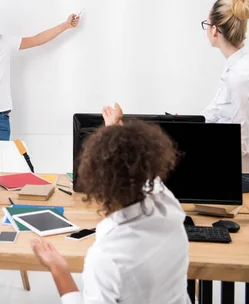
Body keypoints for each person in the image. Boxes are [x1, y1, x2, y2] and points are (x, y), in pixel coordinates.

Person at [30, 104, 190, 304]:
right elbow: (137, 166)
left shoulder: (108, 257)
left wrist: (58, 269)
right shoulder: (168, 205)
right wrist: (114, 128)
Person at [0, 6, 81, 140]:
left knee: (1, 158)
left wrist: (65, 25)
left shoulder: (4, 42)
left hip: (0, 117)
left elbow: (36, 40)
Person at [201, 0, 249, 192]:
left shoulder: (241, 76)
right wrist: (189, 124)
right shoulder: (238, 66)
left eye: (207, 24)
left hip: (247, 174)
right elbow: (216, 111)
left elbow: (239, 144)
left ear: (214, 30)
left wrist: (198, 149)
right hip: (247, 166)